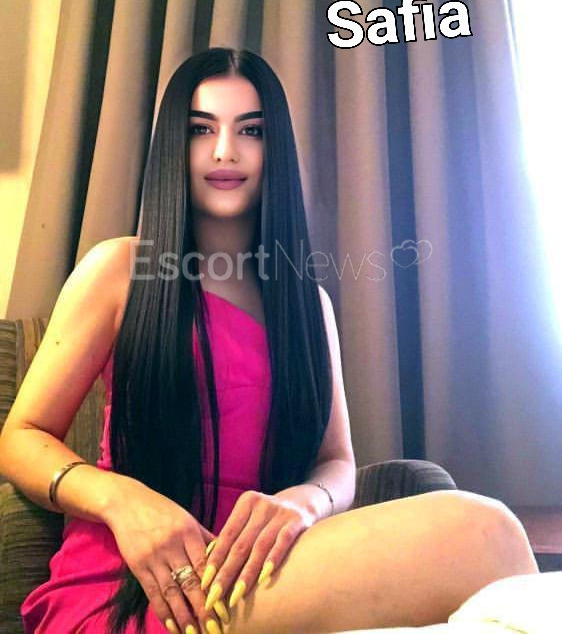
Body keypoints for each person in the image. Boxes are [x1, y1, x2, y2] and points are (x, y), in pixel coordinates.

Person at [0, 48, 538, 634]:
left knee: (484, 562)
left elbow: (337, 461)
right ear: (174, 147)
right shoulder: (119, 270)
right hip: (130, 589)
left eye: (250, 131)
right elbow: (20, 436)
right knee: (485, 535)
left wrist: (304, 502)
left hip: (255, 575)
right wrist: (123, 500)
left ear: (274, 148)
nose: (225, 151)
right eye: (201, 129)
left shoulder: (308, 306)